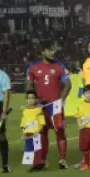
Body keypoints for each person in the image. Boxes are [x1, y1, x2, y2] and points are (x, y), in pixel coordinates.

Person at [26, 41, 72, 169]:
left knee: (60, 130)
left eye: (53, 50)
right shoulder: (34, 67)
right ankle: (42, 160)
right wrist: (31, 99)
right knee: (42, 132)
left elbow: (68, 84)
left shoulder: (59, 66)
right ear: (42, 51)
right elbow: (28, 84)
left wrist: (61, 99)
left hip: (55, 106)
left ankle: (62, 160)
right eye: (49, 50)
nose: (52, 52)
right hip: (40, 106)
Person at [20, 90, 46, 171]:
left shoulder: (38, 110)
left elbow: (42, 123)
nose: (30, 100)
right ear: (26, 100)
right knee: (29, 149)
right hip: (28, 134)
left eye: (32, 98)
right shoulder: (25, 111)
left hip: (36, 134)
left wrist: (38, 132)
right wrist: (23, 133)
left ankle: (38, 165)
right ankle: (34, 165)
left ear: (35, 100)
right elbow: (23, 124)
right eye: (28, 98)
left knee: (37, 150)